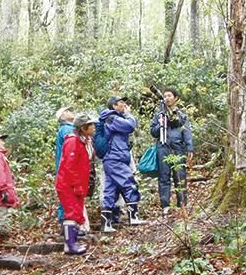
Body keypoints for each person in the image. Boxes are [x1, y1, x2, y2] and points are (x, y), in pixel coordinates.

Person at [98, 96, 148, 232]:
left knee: (110, 191)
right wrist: (129, 114)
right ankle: (134, 217)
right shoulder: (112, 118)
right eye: (121, 103)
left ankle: (106, 224)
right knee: (129, 183)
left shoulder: (112, 118)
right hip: (116, 159)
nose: (124, 105)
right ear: (114, 106)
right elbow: (130, 126)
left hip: (112, 159)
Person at [56, 114, 97, 255]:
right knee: (72, 213)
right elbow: (69, 165)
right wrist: (76, 184)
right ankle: (69, 245)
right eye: (91, 125)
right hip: (68, 186)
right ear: (83, 127)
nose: (94, 127)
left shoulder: (85, 141)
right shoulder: (73, 142)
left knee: (77, 213)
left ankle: (72, 243)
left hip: (78, 185)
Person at [150, 87, 194, 211]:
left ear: (176, 98)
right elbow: (153, 132)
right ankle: (166, 206)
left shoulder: (181, 116)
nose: (167, 98)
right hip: (163, 147)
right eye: (165, 96)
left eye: (169, 96)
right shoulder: (158, 115)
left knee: (180, 175)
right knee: (164, 177)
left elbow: (186, 132)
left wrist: (190, 148)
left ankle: (182, 204)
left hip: (178, 148)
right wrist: (160, 124)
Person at [55, 105, 75, 223]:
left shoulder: (68, 128)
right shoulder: (67, 129)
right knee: (67, 196)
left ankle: (68, 224)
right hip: (66, 170)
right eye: (67, 111)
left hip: (64, 169)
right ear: (62, 116)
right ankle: (66, 224)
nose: (71, 112)